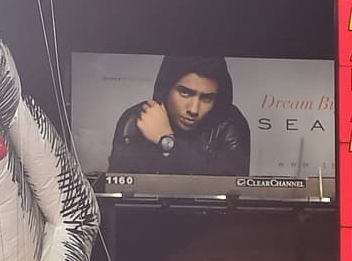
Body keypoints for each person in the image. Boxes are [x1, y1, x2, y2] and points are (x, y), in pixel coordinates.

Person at [106, 56, 251, 176]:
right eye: (185, 92)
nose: (194, 109)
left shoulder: (229, 124)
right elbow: (120, 191)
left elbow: (229, 189)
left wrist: (167, 141)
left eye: (207, 98)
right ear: (166, 89)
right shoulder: (136, 120)